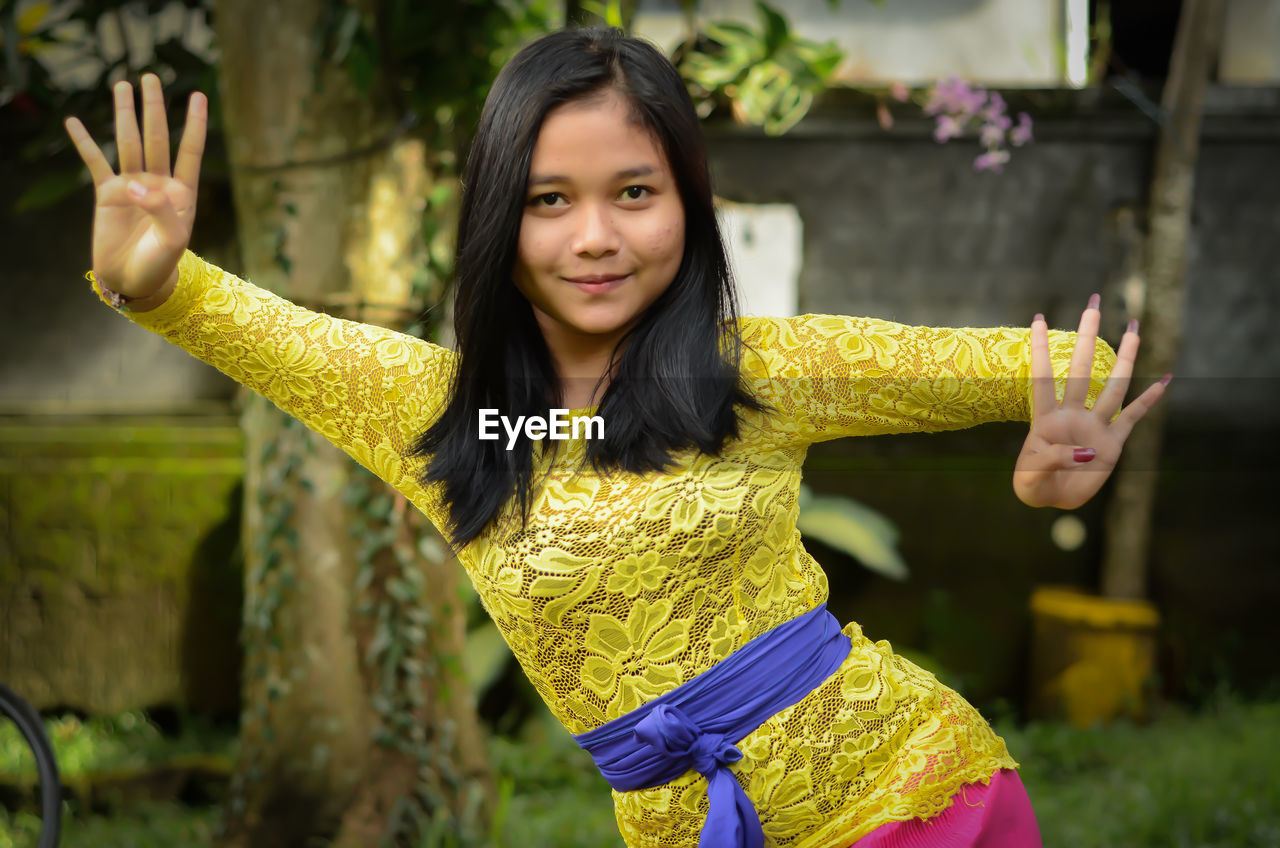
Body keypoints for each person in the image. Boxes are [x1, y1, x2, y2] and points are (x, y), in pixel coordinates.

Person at [63, 26, 1169, 848]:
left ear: (685, 202)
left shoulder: (751, 371)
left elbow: (1027, 367)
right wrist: (154, 281)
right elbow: (261, 332)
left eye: (632, 191)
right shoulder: (438, 412)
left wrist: (1055, 446)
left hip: (907, 799)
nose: (594, 237)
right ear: (500, 214)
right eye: (549, 199)